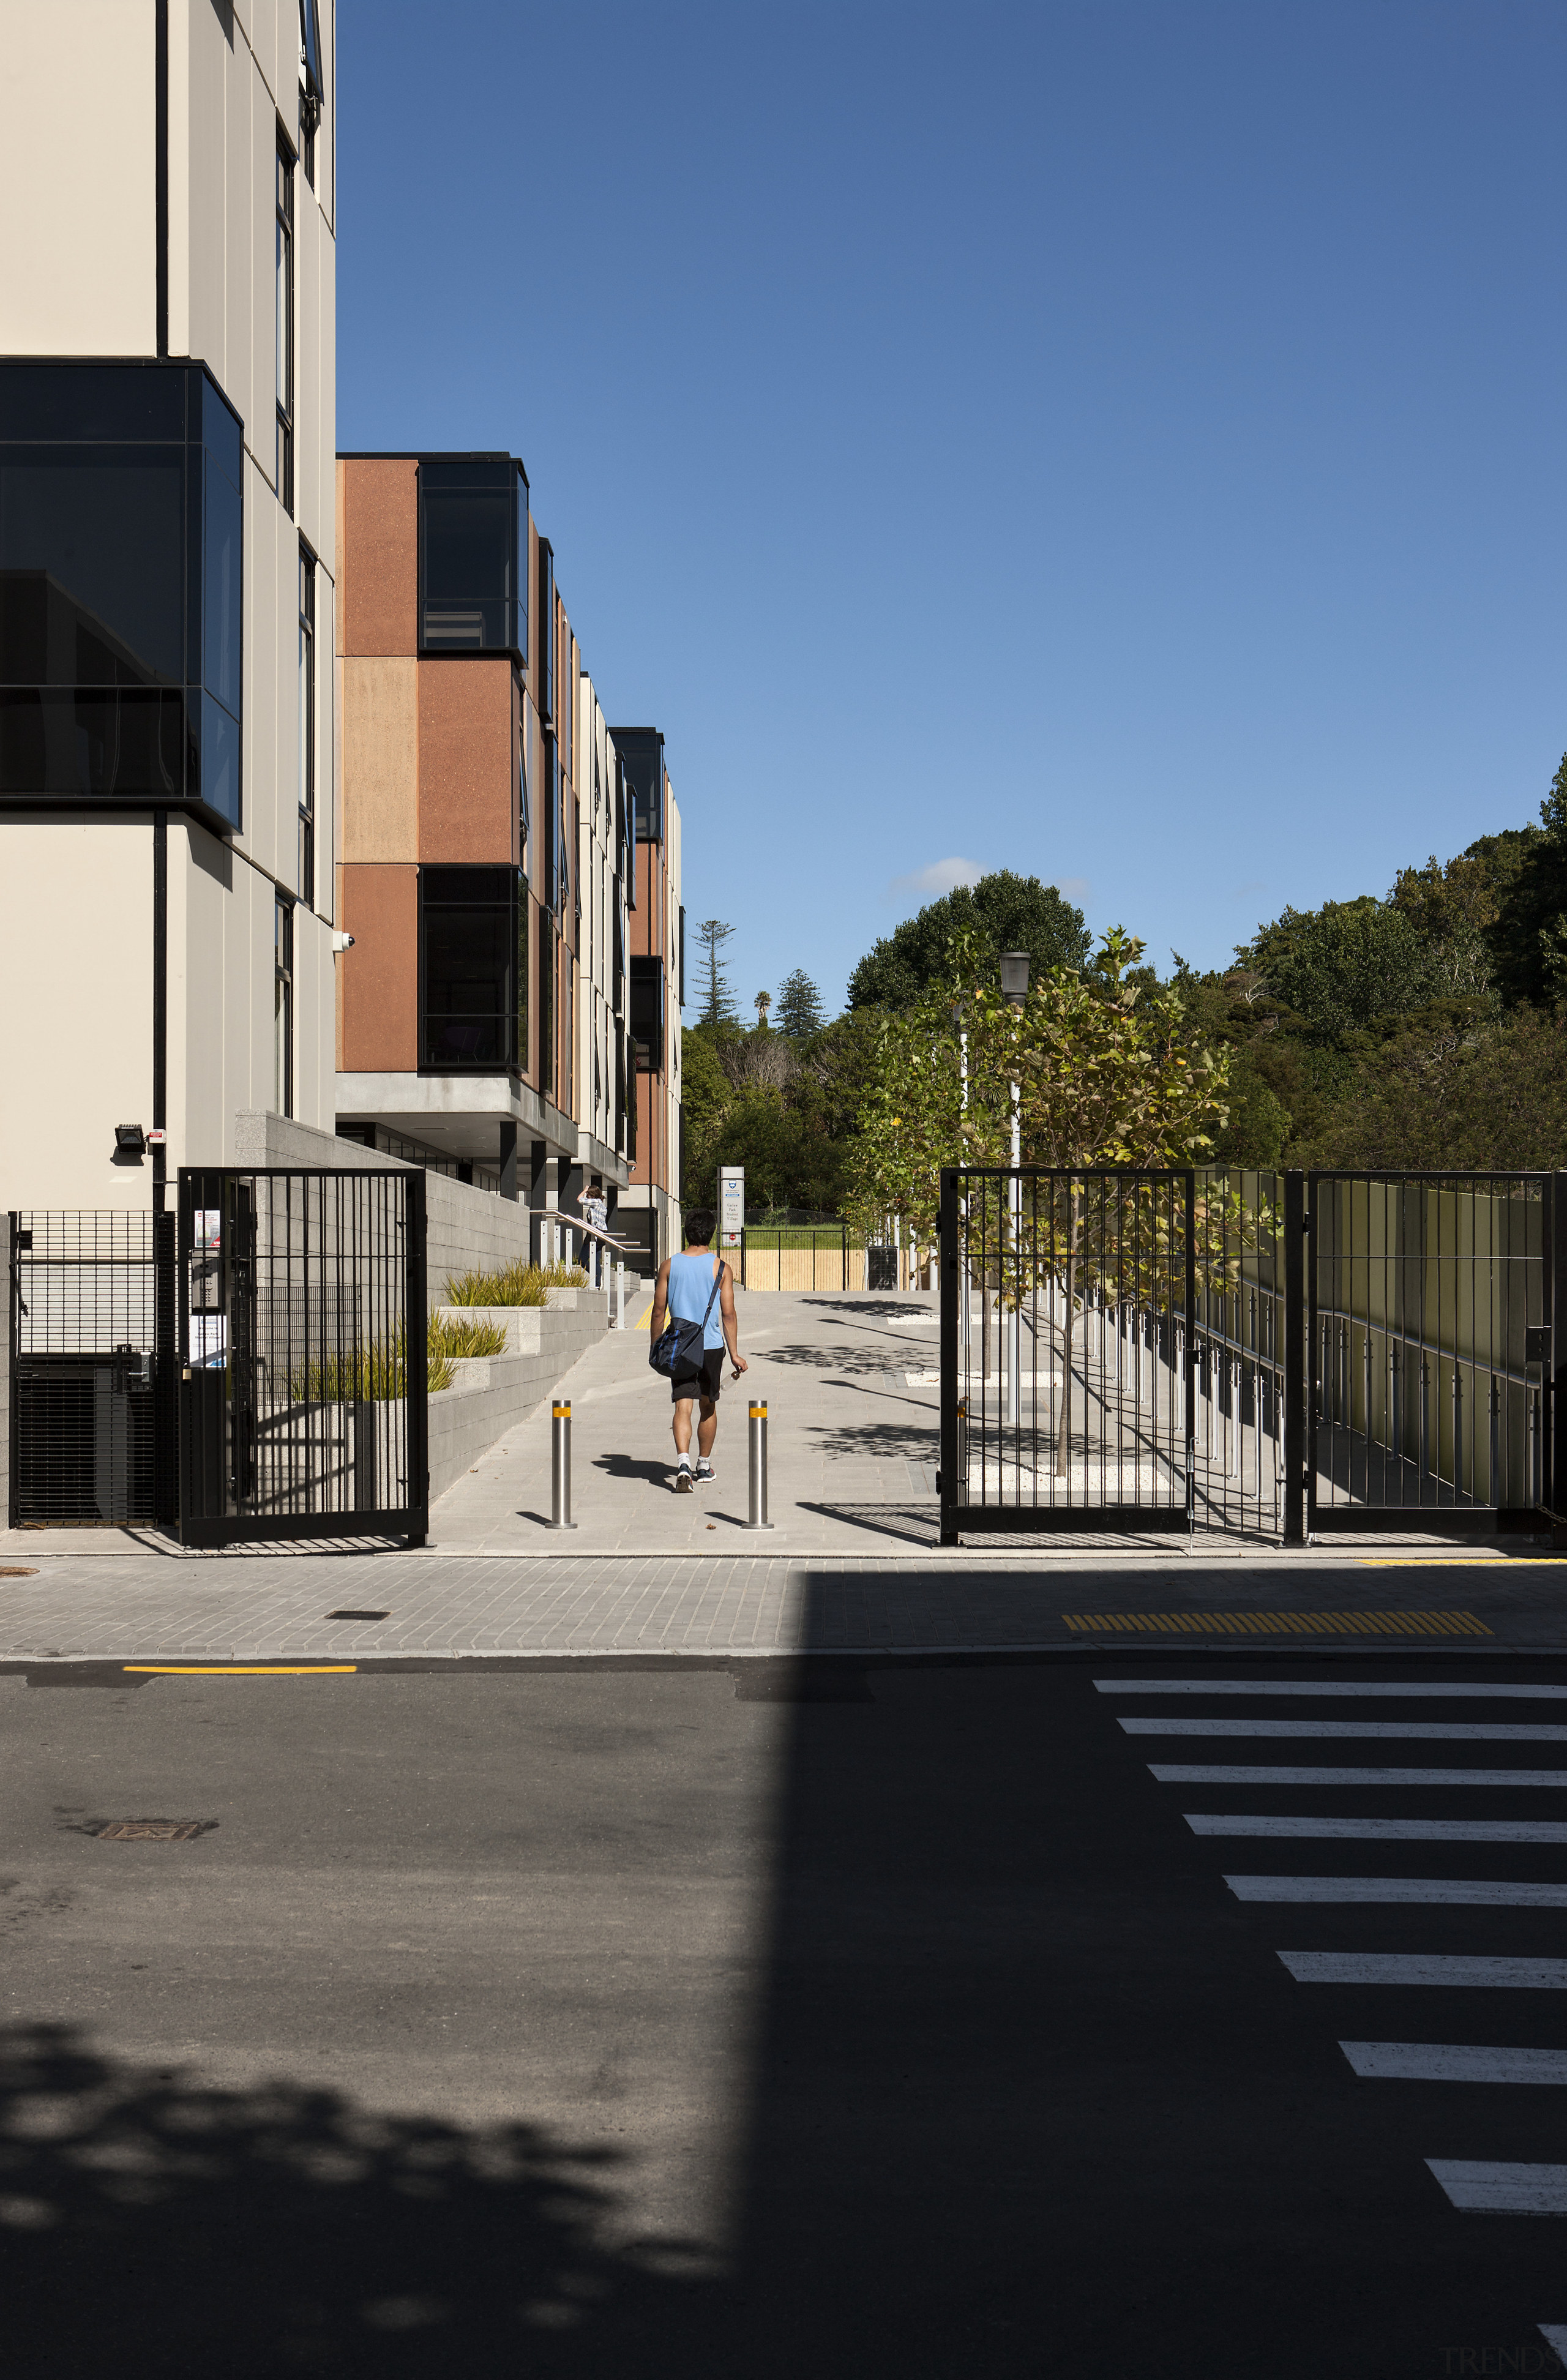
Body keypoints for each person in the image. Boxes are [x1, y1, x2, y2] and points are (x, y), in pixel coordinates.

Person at [648, 1207, 747, 1492]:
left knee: (683, 1405)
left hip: (679, 1346)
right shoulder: (721, 1268)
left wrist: (656, 1347)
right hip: (711, 1347)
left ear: (686, 1232)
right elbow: (728, 1314)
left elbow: (657, 1312)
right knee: (708, 1405)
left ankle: (682, 1464)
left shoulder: (668, 1266)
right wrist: (736, 1353)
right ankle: (703, 1465)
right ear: (712, 1234)